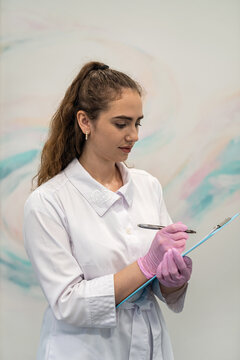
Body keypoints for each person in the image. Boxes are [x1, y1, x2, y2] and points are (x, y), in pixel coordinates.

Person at [23, 61, 193, 360]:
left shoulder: (147, 186)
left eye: (137, 122)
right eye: (121, 123)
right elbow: (67, 303)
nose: (134, 135)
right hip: (84, 349)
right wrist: (145, 265)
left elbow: (160, 287)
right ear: (85, 122)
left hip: (149, 344)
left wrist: (172, 281)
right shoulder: (48, 202)